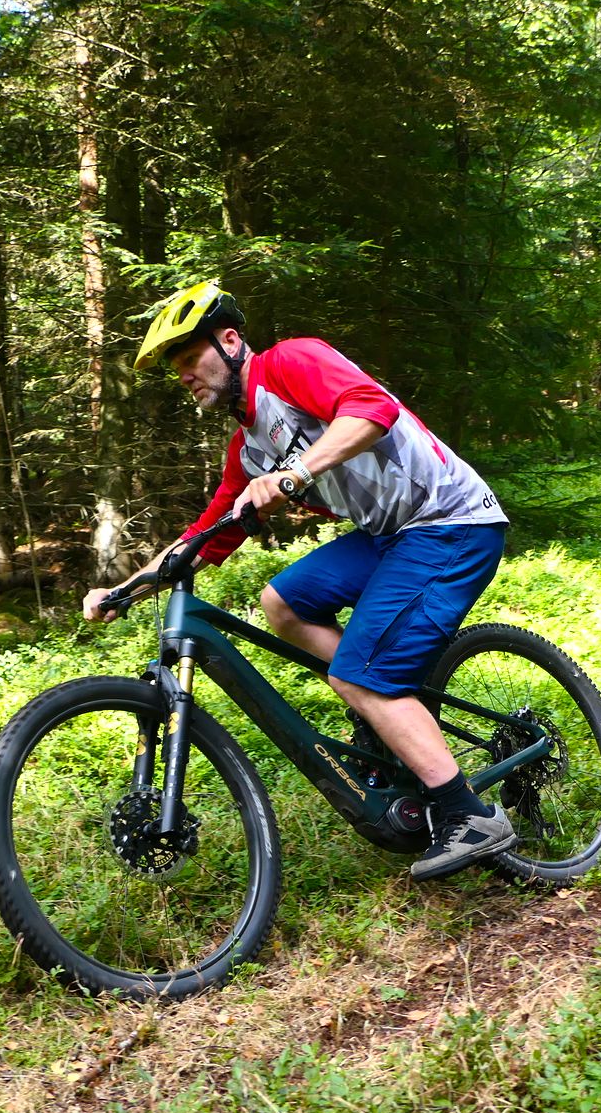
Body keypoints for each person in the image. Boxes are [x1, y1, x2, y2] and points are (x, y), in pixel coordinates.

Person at [82, 281, 514, 880]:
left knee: (358, 673)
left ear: (230, 341)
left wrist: (294, 476)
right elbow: (206, 538)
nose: (184, 374)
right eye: (175, 367)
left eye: (190, 357)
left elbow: (372, 410)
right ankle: (381, 707)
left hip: (450, 521)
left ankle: (468, 814)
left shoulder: (290, 363)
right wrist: (126, 590)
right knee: (282, 602)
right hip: (390, 534)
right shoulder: (247, 449)